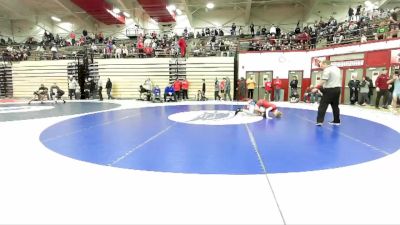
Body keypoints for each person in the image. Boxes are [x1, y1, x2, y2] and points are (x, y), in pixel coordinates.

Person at [312, 60, 342, 126]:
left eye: (321, 65)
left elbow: (323, 80)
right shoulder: (337, 68)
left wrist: (316, 87)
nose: (321, 67)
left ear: (325, 64)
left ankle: (319, 121)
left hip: (329, 90)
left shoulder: (327, 69)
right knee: (335, 106)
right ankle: (337, 121)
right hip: (337, 89)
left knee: (322, 106)